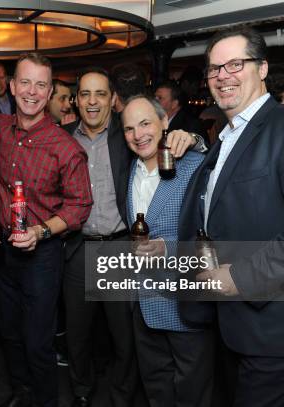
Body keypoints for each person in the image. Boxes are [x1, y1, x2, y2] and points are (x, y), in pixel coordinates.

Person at [178, 27, 284, 407]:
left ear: (262, 69)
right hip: (235, 322)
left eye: (236, 64)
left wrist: (239, 277)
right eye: (215, 69)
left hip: (280, 326)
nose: (223, 76)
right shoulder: (225, 137)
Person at [61, 67, 203, 407]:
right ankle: (81, 391)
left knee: (125, 335)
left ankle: (122, 395)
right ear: (76, 101)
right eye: (85, 94)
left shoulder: (124, 134)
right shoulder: (61, 137)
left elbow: (189, 152)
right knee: (77, 332)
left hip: (122, 245)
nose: (92, 101)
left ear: (112, 100)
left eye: (100, 94)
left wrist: (194, 138)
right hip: (79, 246)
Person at [0, 53, 93, 407]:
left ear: (50, 91)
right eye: (25, 82)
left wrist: (41, 232)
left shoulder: (66, 148)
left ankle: (46, 401)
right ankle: (22, 393)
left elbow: (80, 205)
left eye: (40, 84)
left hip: (42, 256)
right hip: (2, 252)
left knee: (37, 341)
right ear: (12, 86)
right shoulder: (0, 128)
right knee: (9, 333)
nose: (31, 92)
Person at [121, 94, 213, 407]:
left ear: (164, 122)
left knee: (193, 389)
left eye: (145, 123)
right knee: (156, 385)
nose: (138, 134)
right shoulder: (127, 171)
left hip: (185, 300)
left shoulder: (195, 168)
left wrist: (167, 247)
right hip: (143, 304)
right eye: (129, 128)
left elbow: (213, 234)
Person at [155, 80, 208, 146]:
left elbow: (204, 148)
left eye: (160, 98)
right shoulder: (153, 122)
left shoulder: (190, 125)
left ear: (174, 104)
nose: (154, 101)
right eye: (154, 98)